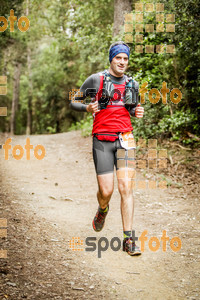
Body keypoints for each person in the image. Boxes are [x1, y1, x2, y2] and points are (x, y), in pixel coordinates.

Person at [70, 41, 144, 256]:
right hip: (102, 140)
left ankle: (128, 239)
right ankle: (103, 209)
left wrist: (136, 112)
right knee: (106, 191)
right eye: (118, 58)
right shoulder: (96, 79)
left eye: (125, 59)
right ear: (111, 59)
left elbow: (130, 108)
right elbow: (73, 101)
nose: (122, 62)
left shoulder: (133, 84)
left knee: (126, 189)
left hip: (125, 140)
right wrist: (87, 107)